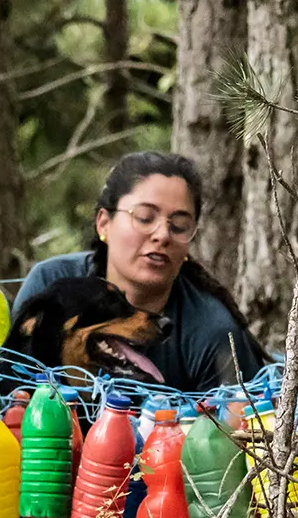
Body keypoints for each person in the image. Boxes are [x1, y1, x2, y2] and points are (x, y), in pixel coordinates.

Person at [15, 152, 267, 391]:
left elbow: (244, 430)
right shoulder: (52, 283)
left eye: (179, 225)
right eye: (145, 218)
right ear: (104, 223)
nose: (162, 235)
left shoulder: (214, 333)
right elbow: (8, 387)